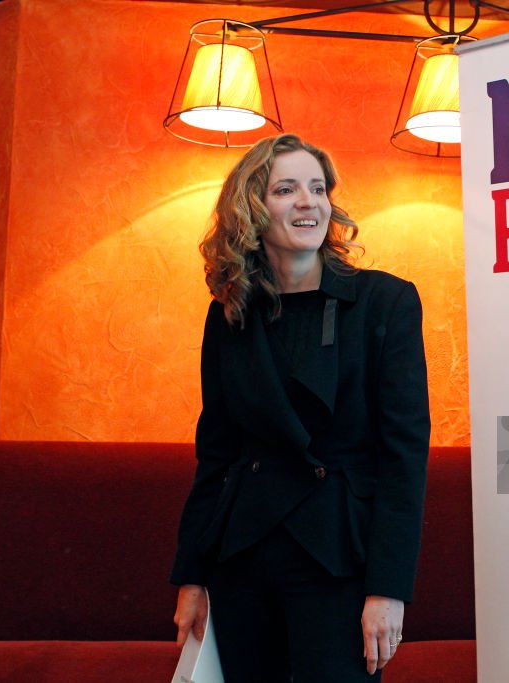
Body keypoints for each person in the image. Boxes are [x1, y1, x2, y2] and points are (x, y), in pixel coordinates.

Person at [170, 133, 430, 682]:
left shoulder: (386, 302)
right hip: (243, 558)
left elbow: (403, 458)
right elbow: (215, 454)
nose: (308, 202)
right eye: (286, 189)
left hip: (338, 558)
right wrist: (192, 576)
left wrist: (388, 588)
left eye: (318, 188)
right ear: (252, 210)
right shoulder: (229, 313)